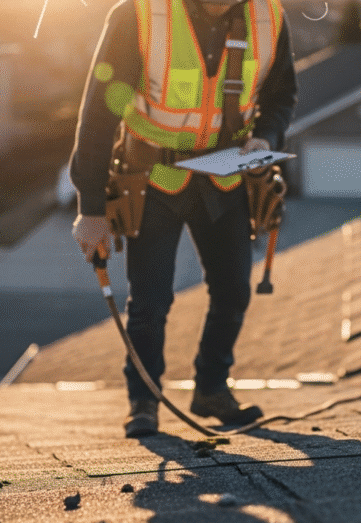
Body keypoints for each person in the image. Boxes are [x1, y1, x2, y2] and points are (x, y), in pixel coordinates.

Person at [69, 0, 297, 437]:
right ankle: (144, 400)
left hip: (226, 176)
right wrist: (91, 208)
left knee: (233, 291)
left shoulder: (269, 17)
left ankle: (211, 389)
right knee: (150, 304)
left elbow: (279, 95)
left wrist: (266, 135)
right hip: (154, 177)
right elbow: (99, 111)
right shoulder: (140, 13)